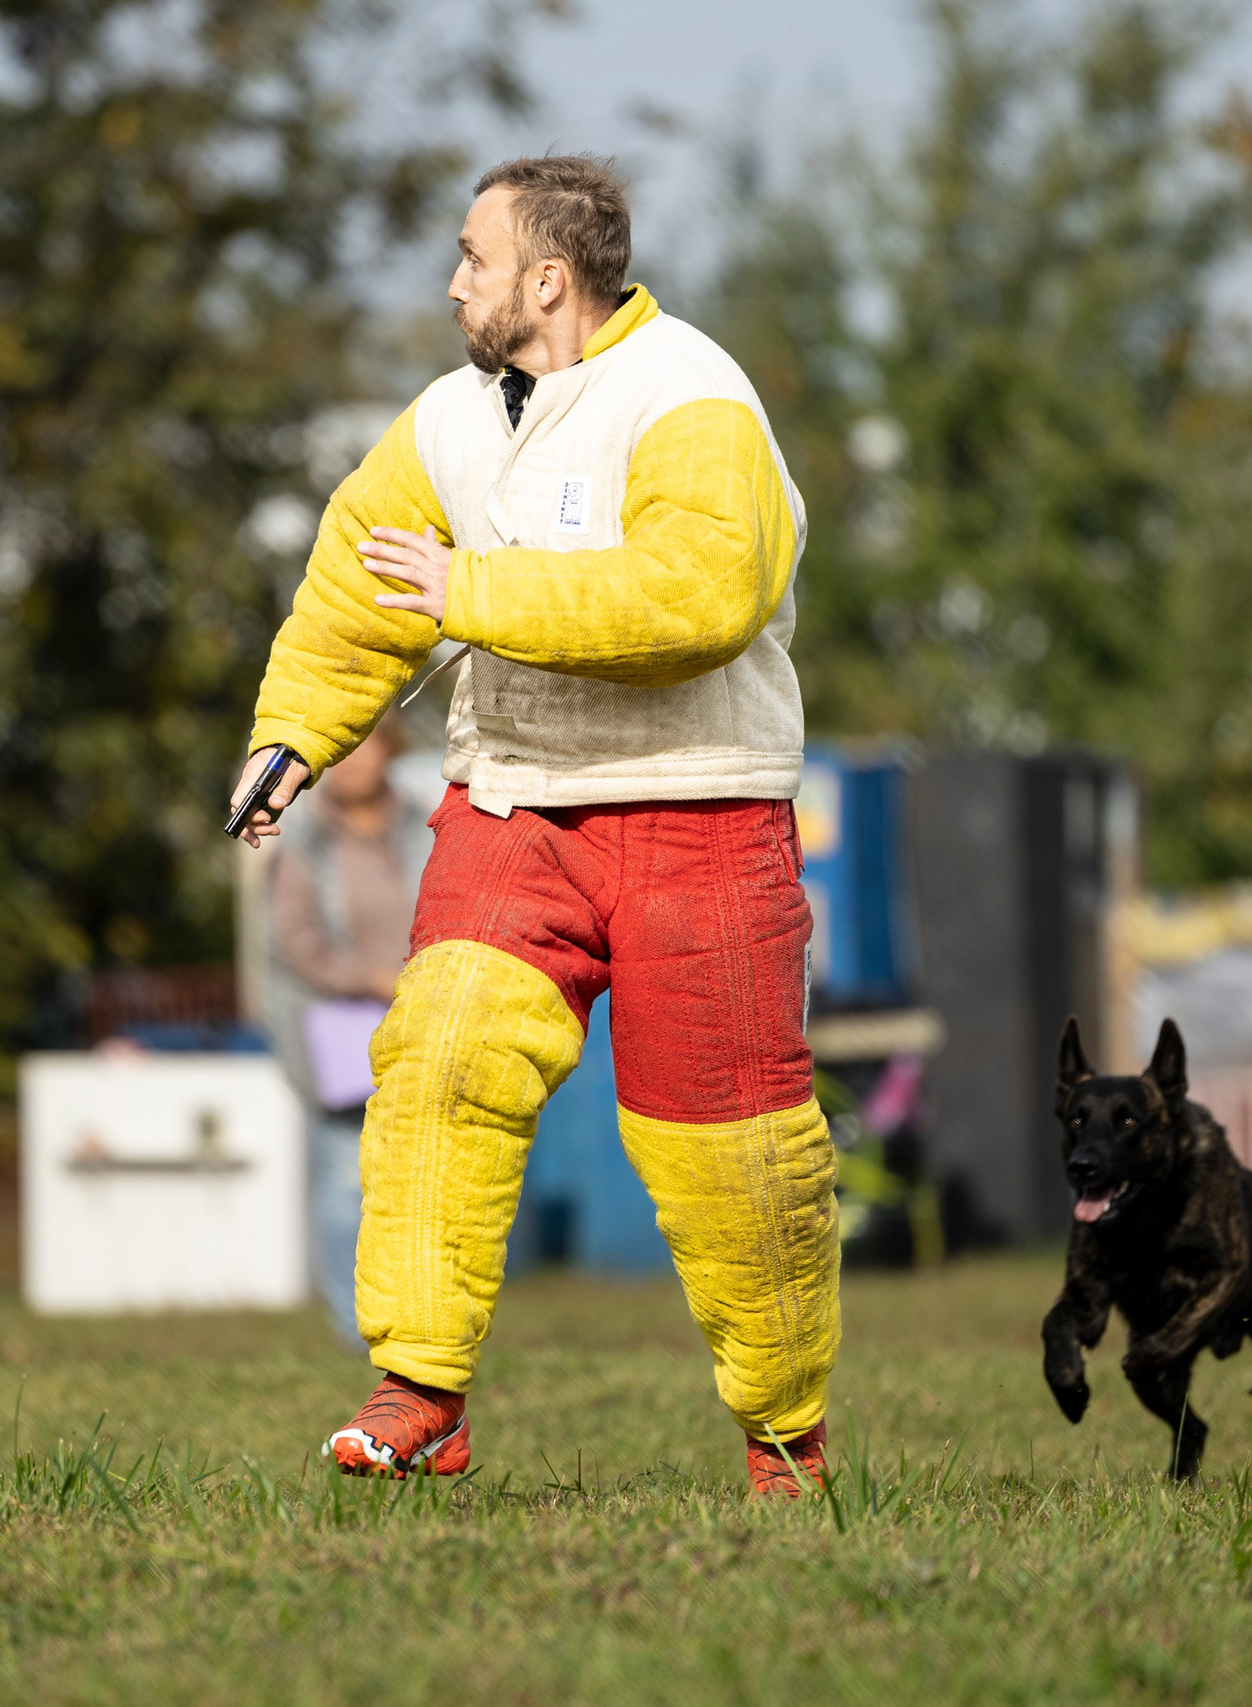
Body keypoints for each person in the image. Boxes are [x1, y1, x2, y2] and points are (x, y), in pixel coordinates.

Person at [231, 156, 835, 1495]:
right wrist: (292, 737)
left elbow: (695, 599)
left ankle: (787, 1434)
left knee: (732, 1153)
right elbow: (359, 586)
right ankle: (420, 1394)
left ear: (547, 281)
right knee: (434, 1063)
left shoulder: (693, 396)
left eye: (471, 257)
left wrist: (474, 587)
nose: (452, 282)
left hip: (703, 804)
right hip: (513, 806)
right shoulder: (447, 420)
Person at [263, 713, 430, 1344]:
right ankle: (350, 1324)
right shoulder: (303, 839)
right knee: (342, 1176)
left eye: (370, 748)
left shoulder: (426, 824)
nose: (357, 763)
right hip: (338, 1028)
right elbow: (293, 941)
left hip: (421, 1018)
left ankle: (416, 1320)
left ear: (392, 752)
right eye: (346, 752)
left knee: (418, 1176)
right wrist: (369, 977)